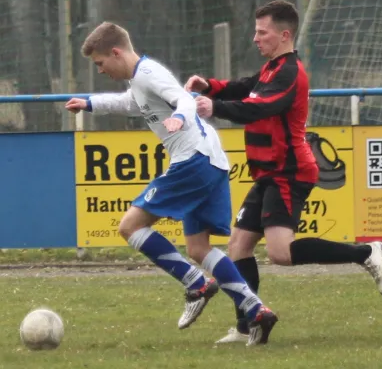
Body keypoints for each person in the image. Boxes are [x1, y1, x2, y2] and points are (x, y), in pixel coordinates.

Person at [184, 0, 382, 344]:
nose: (255, 38)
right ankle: (247, 325)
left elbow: (261, 105)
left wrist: (214, 106)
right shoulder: (272, 69)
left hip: (289, 171)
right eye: (255, 31)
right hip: (269, 172)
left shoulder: (290, 73)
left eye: (261, 32)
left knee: (280, 252)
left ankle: (367, 252)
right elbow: (248, 87)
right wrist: (211, 86)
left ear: (283, 35)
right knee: (238, 247)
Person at [65, 21, 277, 346]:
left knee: (129, 227)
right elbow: (128, 104)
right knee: (198, 247)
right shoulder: (140, 82)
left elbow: (185, 99)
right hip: (212, 161)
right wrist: (90, 103)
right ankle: (256, 309)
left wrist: (180, 116)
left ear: (116, 52)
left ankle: (196, 284)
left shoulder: (150, 73)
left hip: (192, 160)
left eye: (100, 63)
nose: (101, 70)